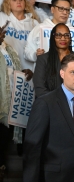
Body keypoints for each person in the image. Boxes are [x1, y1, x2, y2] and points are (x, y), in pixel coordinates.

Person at [23, 53, 74, 182]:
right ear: (62, 73)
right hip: (53, 176)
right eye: (73, 72)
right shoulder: (45, 103)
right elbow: (33, 148)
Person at [0, 32, 33, 181]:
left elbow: (11, 71)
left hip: (11, 100)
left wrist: (22, 73)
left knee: (5, 138)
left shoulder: (9, 49)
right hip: (1, 101)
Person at [33, 23, 74, 98]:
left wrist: (73, 102)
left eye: (66, 35)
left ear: (70, 38)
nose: (63, 38)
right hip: (49, 105)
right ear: (53, 37)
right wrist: (61, 103)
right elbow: (40, 88)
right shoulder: (43, 59)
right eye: (58, 35)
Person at [24, 0, 72, 64]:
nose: (65, 12)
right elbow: (27, 52)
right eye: (61, 9)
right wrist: (35, 55)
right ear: (52, 9)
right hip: (44, 71)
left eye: (67, 10)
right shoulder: (39, 28)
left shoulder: (73, 31)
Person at [0, 0, 40, 70]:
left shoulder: (34, 23)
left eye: (21, 0)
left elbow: (37, 47)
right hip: (6, 67)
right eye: (14, 0)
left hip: (28, 69)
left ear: (25, 4)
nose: (18, 2)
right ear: (8, 4)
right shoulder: (2, 17)